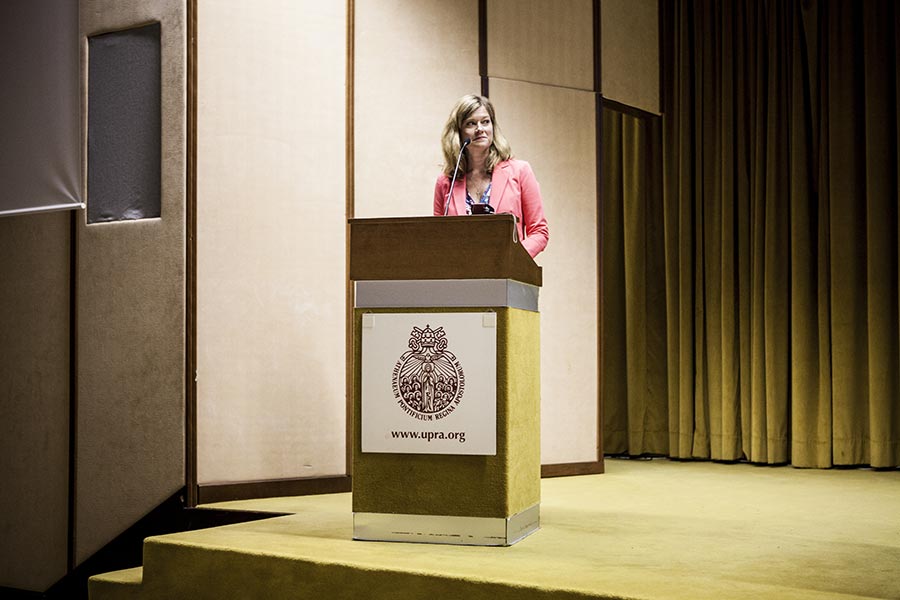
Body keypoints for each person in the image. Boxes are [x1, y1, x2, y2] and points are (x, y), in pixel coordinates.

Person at [433, 94, 549, 258]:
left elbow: (539, 232)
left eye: (485, 122)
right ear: (458, 133)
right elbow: (438, 236)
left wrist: (513, 259)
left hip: (508, 269)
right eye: (471, 123)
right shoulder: (446, 182)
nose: (480, 129)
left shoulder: (520, 171)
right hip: (461, 270)